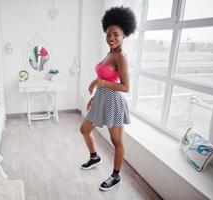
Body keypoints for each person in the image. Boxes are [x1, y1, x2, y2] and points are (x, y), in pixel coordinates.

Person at [79, 6, 136, 191]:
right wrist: (95, 97)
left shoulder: (121, 57)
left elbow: (125, 87)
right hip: (102, 99)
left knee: (116, 141)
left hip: (113, 102)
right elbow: (106, 78)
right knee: (84, 129)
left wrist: (99, 82)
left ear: (124, 35)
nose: (111, 38)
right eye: (108, 34)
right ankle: (94, 156)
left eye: (116, 35)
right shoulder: (109, 53)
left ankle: (116, 176)